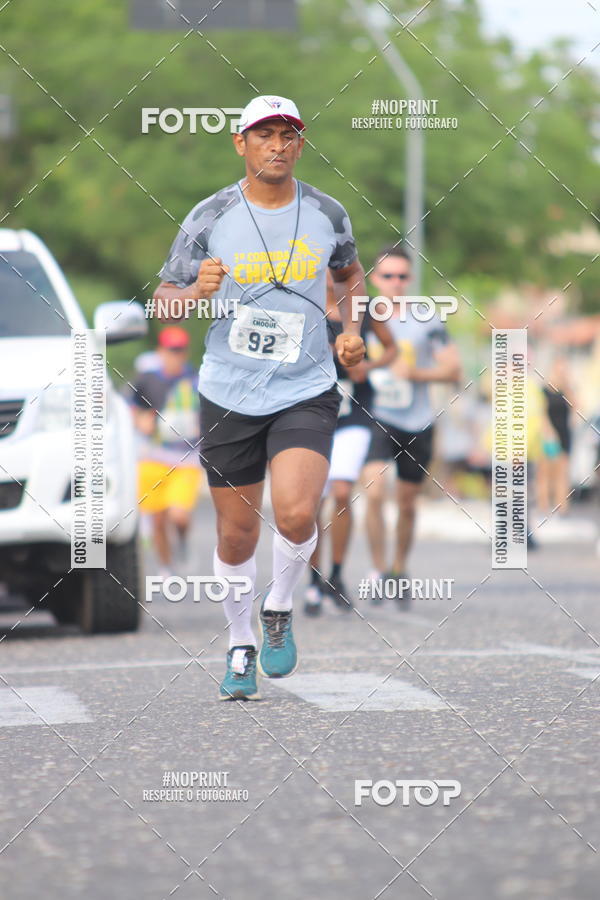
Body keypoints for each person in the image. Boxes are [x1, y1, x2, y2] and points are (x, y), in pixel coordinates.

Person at [152, 95, 366, 700]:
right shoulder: (211, 214)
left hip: (306, 387)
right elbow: (165, 299)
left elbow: (350, 275)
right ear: (240, 143)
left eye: (288, 134)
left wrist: (350, 332)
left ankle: (278, 606)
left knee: (298, 513)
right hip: (228, 390)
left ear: (300, 144)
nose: (277, 145)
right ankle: (240, 641)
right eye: (264, 134)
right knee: (237, 535)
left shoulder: (327, 212)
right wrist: (196, 289)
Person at [361, 247, 462, 608]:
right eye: (388, 276)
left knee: (406, 503)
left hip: (417, 420)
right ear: (374, 279)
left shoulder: (426, 317)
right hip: (375, 415)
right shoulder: (361, 316)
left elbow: (453, 370)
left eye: (403, 276)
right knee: (373, 492)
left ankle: (398, 569)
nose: (396, 283)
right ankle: (377, 570)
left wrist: (415, 373)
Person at [305, 271, 396, 615]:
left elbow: (393, 350)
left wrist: (367, 366)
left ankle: (337, 574)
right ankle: (313, 581)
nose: (330, 272)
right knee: (313, 500)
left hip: (354, 413)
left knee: (342, 492)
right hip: (311, 413)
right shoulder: (302, 307)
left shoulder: (361, 308)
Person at [131, 326, 202, 578]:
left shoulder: (196, 380)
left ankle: (182, 541)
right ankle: (165, 566)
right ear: (161, 351)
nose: (175, 355)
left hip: (186, 459)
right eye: (171, 350)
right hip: (152, 457)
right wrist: (140, 420)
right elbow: (132, 408)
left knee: (179, 515)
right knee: (158, 519)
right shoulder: (147, 379)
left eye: (180, 350)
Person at [537, 355, 574, 516]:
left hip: (564, 433)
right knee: (545, 472)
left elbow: (577, 406)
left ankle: (562, 506)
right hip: (549, 435)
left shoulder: (567, 390)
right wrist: (548, 432)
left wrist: (566, 386)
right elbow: (541, 412)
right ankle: (544, 505)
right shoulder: (544, 390)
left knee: (562, 472)